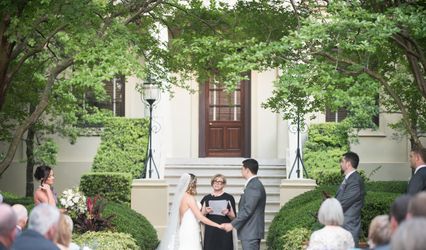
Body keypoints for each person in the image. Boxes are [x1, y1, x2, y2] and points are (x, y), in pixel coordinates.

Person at [157, 173, 222, 250]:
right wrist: (218, 225)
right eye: (196, 183)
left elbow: (185, 216)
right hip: (190, 230)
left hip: (184, 228)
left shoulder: (181, 197)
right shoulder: (189, 198)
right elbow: (201, 218)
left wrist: (204, 212)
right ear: (192, 184)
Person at [222, 159, 266, 250]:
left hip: (251, 231)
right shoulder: (253, 184)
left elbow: (248, 209)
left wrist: (232, 225)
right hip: (250, 231)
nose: (241, 171)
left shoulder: (254, 186)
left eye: (242, 169)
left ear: (247, 170)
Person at [335, 151, 365, 247]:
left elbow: (344, 202)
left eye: (342, 161)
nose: (340, 164)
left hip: (349, 226)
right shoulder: (350, 179)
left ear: (348, 164)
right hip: (344, 225)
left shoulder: (355, 180)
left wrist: (329, 208)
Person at [200, 174, 236, 250]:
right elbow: (200, 216)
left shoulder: (229, 197)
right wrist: (206, 212)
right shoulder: (206, 198)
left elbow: (233, 217)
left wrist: (228, 213)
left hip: (224, 229)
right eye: (215, 181)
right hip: (210, 230)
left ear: (223, 184)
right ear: (212, 183)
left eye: (220, 182)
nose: (217, 183)